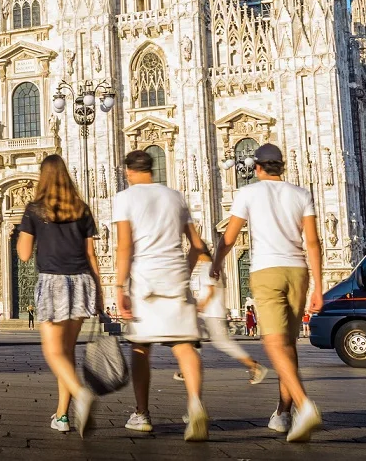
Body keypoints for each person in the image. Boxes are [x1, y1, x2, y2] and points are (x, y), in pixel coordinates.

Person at [212, 143, 324, 443]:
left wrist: (216, 263)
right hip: (298, 272)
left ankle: (304, 405)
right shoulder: (301, 194)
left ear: (257, 168)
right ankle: (283, 413)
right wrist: (319, 286)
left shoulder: (248, 193)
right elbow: (313, 243)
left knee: (272, 344)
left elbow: (229, 237)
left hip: (266, 271)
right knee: (288, 345)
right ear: (282, 166)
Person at [114, 149, 211, 442]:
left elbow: (124, 247)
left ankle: (142, 414)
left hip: (145, 280)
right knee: (184, 347)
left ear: (129, 171)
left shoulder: (125, 198)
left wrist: (119, 287)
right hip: (175, 278)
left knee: (141, 348)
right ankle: (195, 405)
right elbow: (198, 245)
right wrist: (185, 270)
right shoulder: (176, 197)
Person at [16, 154, 102, 437]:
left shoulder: (35, 209)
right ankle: (62, 416)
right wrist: (99, 293)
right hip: (82, 282)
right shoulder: (81, 208)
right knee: (67, 352)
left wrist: (24, 231)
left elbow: (24, 254)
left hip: (54, 283)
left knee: (52, 351)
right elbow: (91, 255)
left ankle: (81, 395)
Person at [192, 251, 267, 383]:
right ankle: (189, 369)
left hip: (212, 313)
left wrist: (201, 305)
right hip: (210, 313)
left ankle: (254, 365)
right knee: (193, 337)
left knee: (223, 343)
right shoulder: (213, 266)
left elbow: (211, 290)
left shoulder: (207, 267)